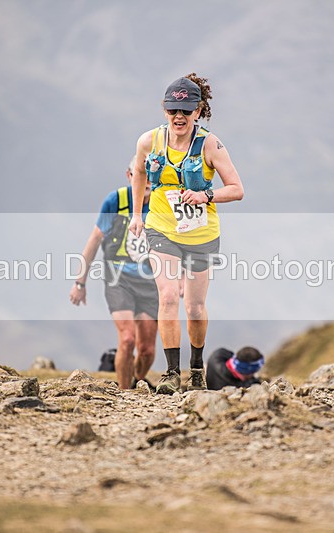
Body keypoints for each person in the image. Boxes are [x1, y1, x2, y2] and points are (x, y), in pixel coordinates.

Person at [128, 73, 244, 394]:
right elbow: (139, 174)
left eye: (186, 111)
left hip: (200, 234)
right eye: (172, 111)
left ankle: (196, 368)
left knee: (193, 307)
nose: (179, 117)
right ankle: (171, 373)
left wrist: (206, 195)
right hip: (161, 227)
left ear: (198, 110)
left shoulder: (210, 144)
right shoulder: (149, 141)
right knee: (166, 297)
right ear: (164, 111)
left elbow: (237, 189)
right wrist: (137, 215)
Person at [69, 157, 158, 389]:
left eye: (151, 175)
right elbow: (94, 240)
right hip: (118, 279)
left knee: (147, 350)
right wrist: (80, 282)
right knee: (127, 339)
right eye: (141, 174)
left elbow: (177, 244)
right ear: (130, 176)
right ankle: (125, 392)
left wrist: (178, 279)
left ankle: (138, 381)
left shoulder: (161, 204)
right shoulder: (116, 201)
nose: (146, 180)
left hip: (152, 283)